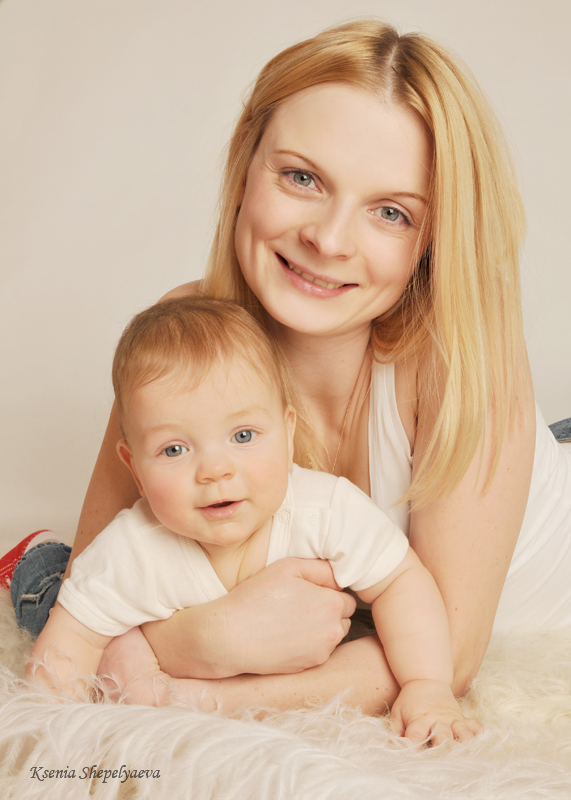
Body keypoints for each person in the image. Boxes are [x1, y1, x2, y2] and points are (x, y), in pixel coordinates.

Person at [5, 20, 571, 718]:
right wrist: (208, 637)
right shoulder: (185, 341)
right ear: (246, 164)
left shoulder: (462, 354)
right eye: (302, 177)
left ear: (432, 240)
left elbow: (447, 657)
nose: (327, 240)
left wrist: (191, 680)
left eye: (390, 213)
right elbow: (91, 588)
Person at [26, 296, 480, 743]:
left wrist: (426, 684)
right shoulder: (130, 550)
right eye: (174, 449)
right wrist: (47, 731)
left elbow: (399, 579)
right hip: (65, 579)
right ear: (135, 470)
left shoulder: (325, 509)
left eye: (243, 435)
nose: (215, 470)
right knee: (45, 590)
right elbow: (72, 640)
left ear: (288, 433)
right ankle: (34, 554)